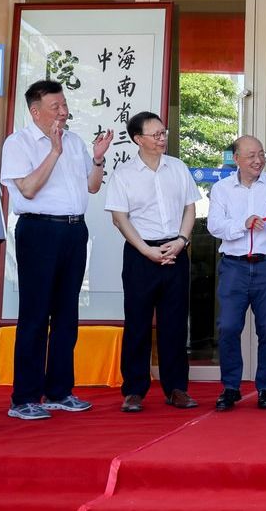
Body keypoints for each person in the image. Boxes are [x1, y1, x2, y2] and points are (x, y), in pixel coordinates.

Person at [0, 79, 112, 421]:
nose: (63, 112)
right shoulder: (18, 143)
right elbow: (28, 189)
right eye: (55, 107)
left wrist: (97, 159)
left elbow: (92, 187)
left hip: (74, 231)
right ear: (35, 111)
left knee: (66, 314)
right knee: (35, 314)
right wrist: (53, 151)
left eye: (64, 105)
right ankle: (24, 398)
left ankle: (59, 391)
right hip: (39, 231)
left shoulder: (74, 141)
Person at [105, 111, 201, 413]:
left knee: (175, 324)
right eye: (156, 134)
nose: (162, 138)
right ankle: (134, 390)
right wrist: (145, 250)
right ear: (138, 139)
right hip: (140, 254)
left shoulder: (177, 167)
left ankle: (176, 389)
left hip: (175, 250)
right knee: (138, 324)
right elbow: (120, 218)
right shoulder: (124, 174)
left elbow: (190, 208)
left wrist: (182, 240)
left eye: (164, 133)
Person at [206, 135, 266, 412]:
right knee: (228, 327)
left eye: (261, 154)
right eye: (251, 155)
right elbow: (214, 226)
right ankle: (231, 386)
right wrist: (244, 223)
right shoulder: (221, 189)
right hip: (234, 266)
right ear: (236, 159)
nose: (258, 160)